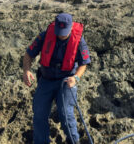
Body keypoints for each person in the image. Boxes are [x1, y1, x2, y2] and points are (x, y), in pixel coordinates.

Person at [22, 13, 91, 144]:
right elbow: (28, 54)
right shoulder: (45, 35)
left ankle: (73, 141)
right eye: (59, 32)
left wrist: (76, 77)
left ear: (71, 28)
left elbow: (84, 63)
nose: (61, 35)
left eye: (64, 33)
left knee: (66, 114)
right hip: (46, 80)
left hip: (66, 81)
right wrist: (26, 71)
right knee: (39, 114)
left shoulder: (79, 40)